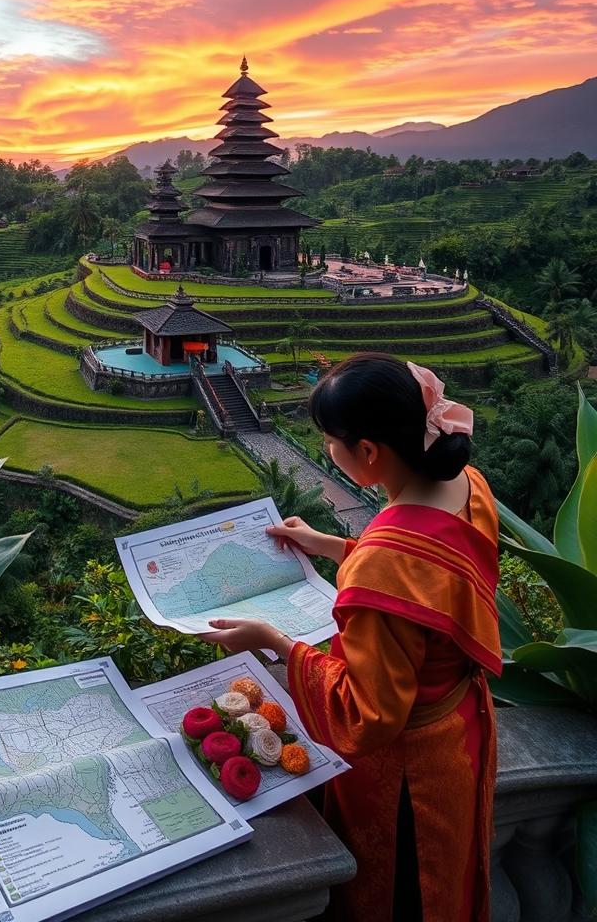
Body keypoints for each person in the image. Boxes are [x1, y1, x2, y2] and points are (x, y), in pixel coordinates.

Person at [200, 353, 501, 922]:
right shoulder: (467, 484)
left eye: (329, 441)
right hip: (462, 726)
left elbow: (369, 712)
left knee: (409, 892)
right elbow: (431, 573)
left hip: (410, 772)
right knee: (455, 878)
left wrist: (278, 643)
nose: (324, 452)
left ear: (368, 452)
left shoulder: (384, 559)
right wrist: (330, 544)